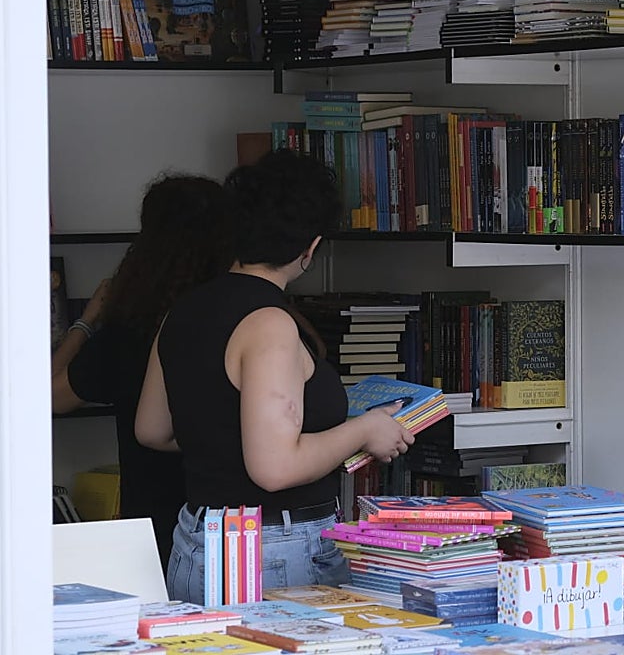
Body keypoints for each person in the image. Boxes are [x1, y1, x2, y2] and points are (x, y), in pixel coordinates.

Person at [134, 149, 414, 604]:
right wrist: (365, 429)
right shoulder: (270, 324)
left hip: (196, 541)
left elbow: (152, 429)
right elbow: (275, 468)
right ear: (311, 248)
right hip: (268, 549)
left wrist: (236, 441)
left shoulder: (182, 310)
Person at [51, 174, 233, 570]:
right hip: (237, 522)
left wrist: (86, 321)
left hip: (158, 526)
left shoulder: (132, 332)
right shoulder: (241, 320)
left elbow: (52, 396)